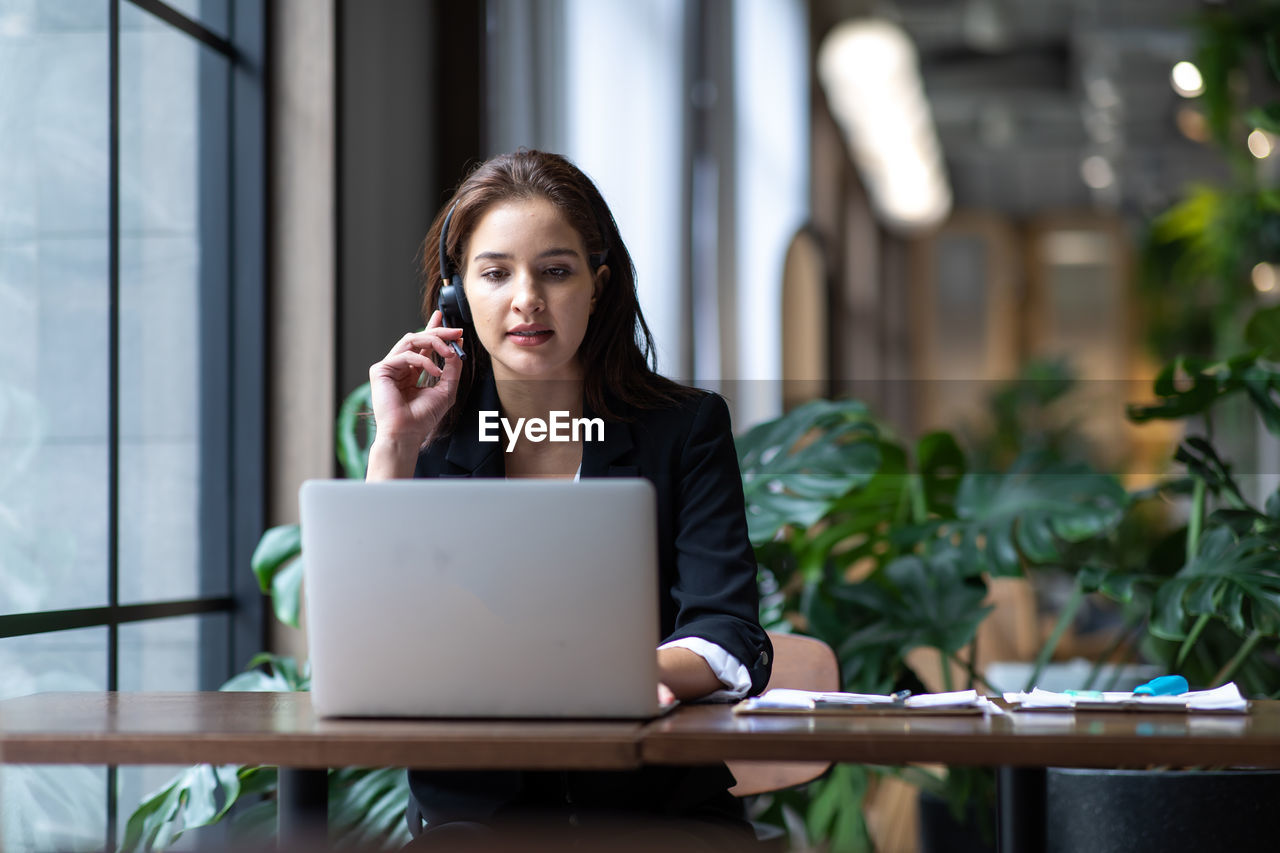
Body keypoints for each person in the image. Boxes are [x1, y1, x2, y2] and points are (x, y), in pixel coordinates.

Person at [365, 150, 772, 849]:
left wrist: (607, 674)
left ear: (597, 285)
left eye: (556, 271)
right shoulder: (424, 440)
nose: (527, 298)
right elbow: (375, 643)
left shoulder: (683, 429)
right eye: (495, 274)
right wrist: (395, 446)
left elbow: (729, 635)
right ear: (455, 295)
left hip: (656, 810)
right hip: (474, 820)